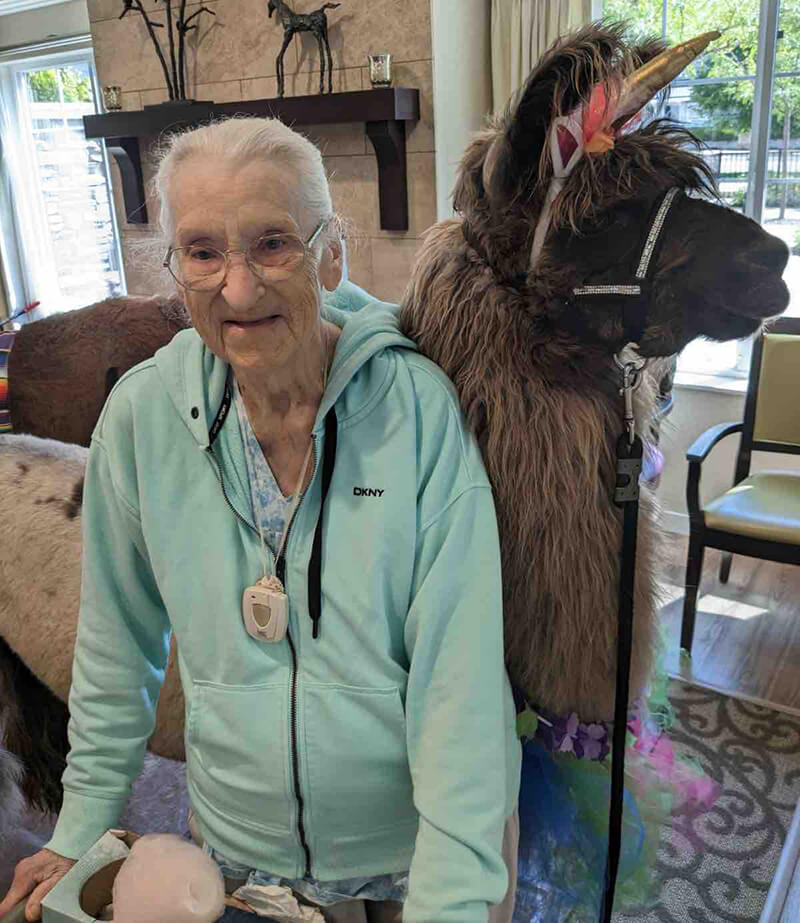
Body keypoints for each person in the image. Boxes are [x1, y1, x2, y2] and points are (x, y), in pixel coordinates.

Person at [0, 118, 521, 923]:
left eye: (273, 244)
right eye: (203, 253)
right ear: (175, 268)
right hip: (233, 848)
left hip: (407, 851)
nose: (237, 289)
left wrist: (451, 900)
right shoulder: (142, 419)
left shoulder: (416, 412)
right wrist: (80, 826)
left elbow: (462, 689)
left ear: (332, 252)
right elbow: (113, 650)